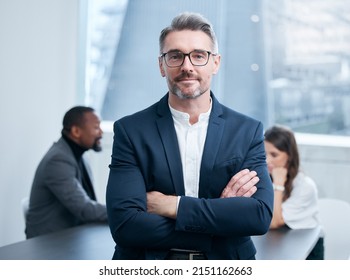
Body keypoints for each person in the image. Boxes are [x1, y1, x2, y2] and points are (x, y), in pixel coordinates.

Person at [106, 12, 274, 260]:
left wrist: (173, 206)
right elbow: (126, 226)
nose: (187, 66)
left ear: (215, 63)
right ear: (161, 65)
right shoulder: (130, 131)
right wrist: (221, 217)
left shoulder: (246, 131)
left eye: (198, 56)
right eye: (175, 56)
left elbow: (258, 216)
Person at [25, 106, 108, 238]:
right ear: (76, 131)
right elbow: (84, 209)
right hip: (49, 244)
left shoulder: (80, 156)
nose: (101, 133)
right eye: (96, 127)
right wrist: (123, 212)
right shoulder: (57, 160)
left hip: (74, 236)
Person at [264, 124, 324, 259]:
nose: (267, 160)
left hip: (307, 248)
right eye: (264, 153)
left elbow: (273, 222)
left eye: (274, 154)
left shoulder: (305, 186)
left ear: (289, 156)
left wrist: (278, 184)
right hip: (276, 242)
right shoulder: (266, 178)